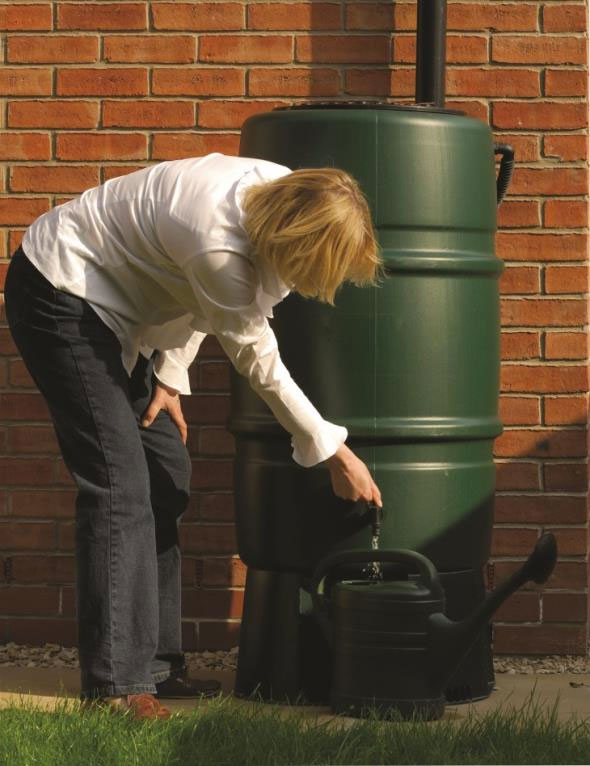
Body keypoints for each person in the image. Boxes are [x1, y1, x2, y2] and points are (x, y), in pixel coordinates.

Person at [4, 152, 383, 720]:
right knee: (119, 486)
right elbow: (256, 355)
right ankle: (117, 686)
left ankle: (154, 665)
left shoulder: (277, 190)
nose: (313, 284)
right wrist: (335, 452)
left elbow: (196, 297)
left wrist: (170, 377)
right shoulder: (217, 240)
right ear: (298, 238)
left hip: (122, 312)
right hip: (63, 294)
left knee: (164, 475)